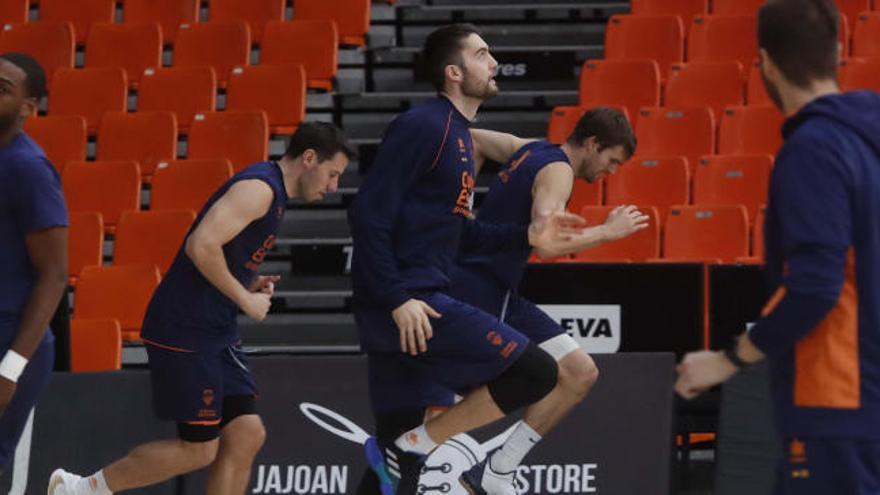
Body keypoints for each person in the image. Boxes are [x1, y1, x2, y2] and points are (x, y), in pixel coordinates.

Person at [49, 122, 356, 495]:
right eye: (332, 173)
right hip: (185, 327)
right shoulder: (260, 189)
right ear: (309, 158)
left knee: (246, 433)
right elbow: (200, 246)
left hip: (214, 328)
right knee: (198, 450)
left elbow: (217, 254)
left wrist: (245, 284)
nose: (333, 186)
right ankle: (81, 489)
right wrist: (246, 300)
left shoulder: (272, 194)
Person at [348, 23, 587, 495]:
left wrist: (528, 235)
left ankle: (408, 445)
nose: (494, 62)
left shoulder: (460, 136)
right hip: (411, 303)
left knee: (392, 464)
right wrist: (398, 299)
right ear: (454, 72)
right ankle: (419, 442)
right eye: (482, 54)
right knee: (536, 371)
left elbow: (462, 234)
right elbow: (368, 213)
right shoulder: (425, 125)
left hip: (410, 302)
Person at [358, 108, 647, 494]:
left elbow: (472, 140)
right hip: (478, 286)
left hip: (499, 289)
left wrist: (460, 207)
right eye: (611, 161)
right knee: (519, 378)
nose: (610, 172)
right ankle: (419, 447)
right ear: (593, 144)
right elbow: (545, 241)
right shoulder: (559, 170)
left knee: (580, 372)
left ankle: (497, 471)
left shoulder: (530, 148)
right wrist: (608, 232)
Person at [675, 0, 880, 493]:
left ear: (765, 63)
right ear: (836, 52)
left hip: (835, 402)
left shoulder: (815, 148)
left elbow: (814, 284)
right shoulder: (866, 143)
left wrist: (727, 360)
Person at [0, 52, 66, 473]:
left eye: (2, 89)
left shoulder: (30, 170)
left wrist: (10, 369)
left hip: (11, 338)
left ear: (29, 108)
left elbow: (54, 275)